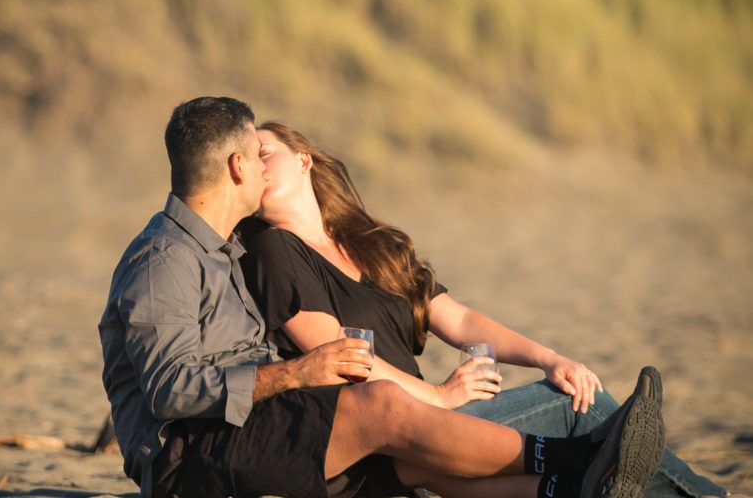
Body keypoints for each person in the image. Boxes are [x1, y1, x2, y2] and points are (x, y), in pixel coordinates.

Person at [99, 96, 666, 498]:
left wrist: (300, 381)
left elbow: (455, 316)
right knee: (388, 411)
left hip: (251, 427)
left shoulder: (221, 252)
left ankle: (568, 486)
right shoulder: (166, 261)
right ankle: (584, 457)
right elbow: (171, 391)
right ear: (237, 166)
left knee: (415, 459)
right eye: (257, 153)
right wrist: (298, 376)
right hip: (190, 459)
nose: (265, 169)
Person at [239, 121, 725, 498]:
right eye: (248, 161)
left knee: (577, 395)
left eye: (267, 153)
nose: (259, 166)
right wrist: (438, 396)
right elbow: (341, 357)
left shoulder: (370, 244)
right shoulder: (273, 250)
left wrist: (548, 357)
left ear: (304, 159)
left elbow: (461, 321)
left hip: (434, 414)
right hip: (397, 438)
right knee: (586, 410)